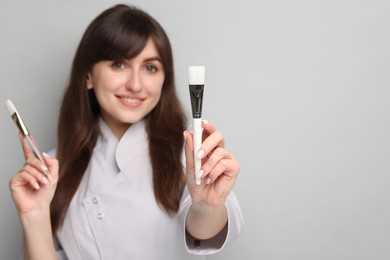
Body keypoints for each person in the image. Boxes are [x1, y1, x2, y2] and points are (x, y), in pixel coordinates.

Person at [9, 4, 243, 260]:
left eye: (150, 68)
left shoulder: (188, 152)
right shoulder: (53, 170)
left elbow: (205, 230)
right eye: (119, 65)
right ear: (87, 75)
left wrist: (207, 206)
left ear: (164, 79)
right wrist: (35, 215)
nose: (135, 84)